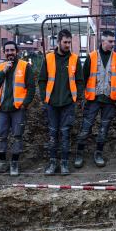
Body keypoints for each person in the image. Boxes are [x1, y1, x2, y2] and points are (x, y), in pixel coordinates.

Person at [75, 30, 116, 168]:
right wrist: (79, 97)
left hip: (109, 100)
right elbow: (83, 78)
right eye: (110, 41)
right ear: (102, 41)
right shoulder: (91, 57)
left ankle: (98, 153)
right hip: (93, 100)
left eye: (113, 41)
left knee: (104, 129)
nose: (112, 44)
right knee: (86, 128)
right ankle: (79, 153)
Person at [37, 29, 84, 175]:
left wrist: (75, 97)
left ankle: (64, 163)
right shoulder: (49, 58)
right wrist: (46, 98)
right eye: (65, 42)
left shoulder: (75, 59)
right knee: (52, 134)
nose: (68, 45)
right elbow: (42, 80)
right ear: (58, 42)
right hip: (52, 104)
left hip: (68, 104)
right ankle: (52, 163)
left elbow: (80, 81)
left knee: (65, 134)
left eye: (69, 42)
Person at [0, 40, 35, 176]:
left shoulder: (25, 66)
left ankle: (14, 164)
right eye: (7, 50)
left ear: (17, 51)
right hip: (3, 108)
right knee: (1, 136)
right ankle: (2, 163)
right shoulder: (1, 66)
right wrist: (4, 71)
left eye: (12, 50)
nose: (10, 53)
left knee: (17, 136)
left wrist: (25, 104)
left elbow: (31, 88)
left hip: (18, 108)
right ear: (4, 52)